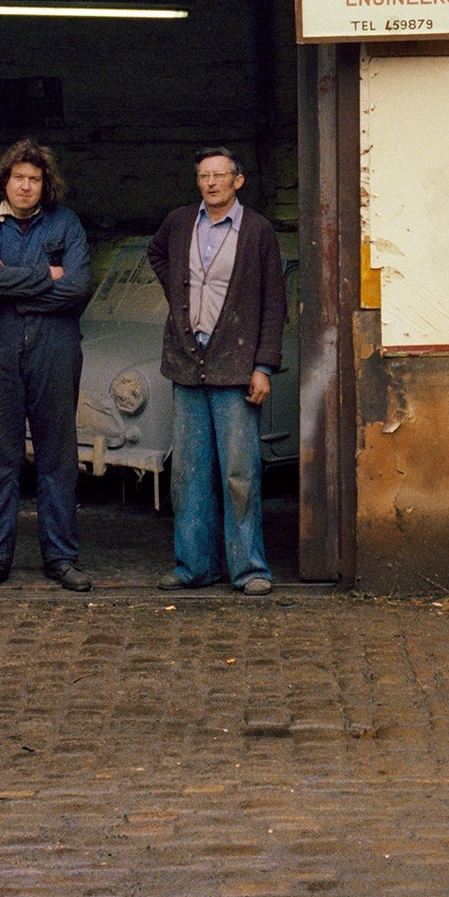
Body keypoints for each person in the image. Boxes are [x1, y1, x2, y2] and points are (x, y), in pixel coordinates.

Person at [146, 147, 287, 595]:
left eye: (219, 175)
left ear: (237, 181)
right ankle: (194, 567)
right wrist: (180, 296)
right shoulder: (180, 221)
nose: (211, 183)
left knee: (239, 473)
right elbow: (156, 254)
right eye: (204, 176)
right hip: (188, 363)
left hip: (236, 367)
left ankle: (249, 569)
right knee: (188, 474)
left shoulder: (258, 230)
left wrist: (262, 366)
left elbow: (273, 305)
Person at [0, 138, 92, 594]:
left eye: (35, 179)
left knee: (57, 456)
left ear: (45, 185)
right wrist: (47, 274)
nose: (26, 186)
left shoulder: (67, 224)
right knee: (1, 457)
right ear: (5, 180)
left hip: (54, 347)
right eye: (19, 177)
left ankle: (61, 558)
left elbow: (77, 289)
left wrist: (11, 282)